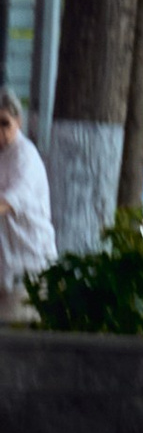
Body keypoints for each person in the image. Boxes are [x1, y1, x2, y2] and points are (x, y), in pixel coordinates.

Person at [0, 88, 56, 322]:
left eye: (4, 123)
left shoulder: (26, 156)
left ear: (18, 122)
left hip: (28, 271)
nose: (0, 131)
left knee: (16, 347)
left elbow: (8, 203)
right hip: (6, 270)